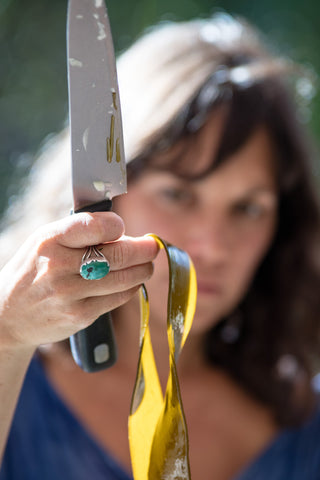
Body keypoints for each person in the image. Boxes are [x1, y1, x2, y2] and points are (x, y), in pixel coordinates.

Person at [0, 11, 320, 480]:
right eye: (178, 194)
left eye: (248, 208)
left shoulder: (304, 420)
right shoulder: (15, 374)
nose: (212, 247)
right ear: (106, 196)